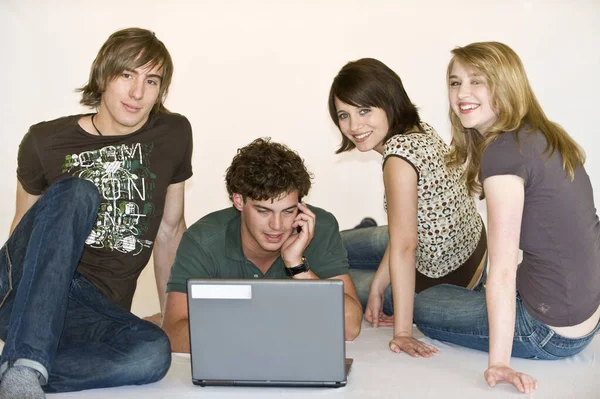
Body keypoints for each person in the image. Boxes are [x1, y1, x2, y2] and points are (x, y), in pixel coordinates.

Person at [0, 28, 193, 398]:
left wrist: (174, 320)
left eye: (150, 80)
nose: (138, 93)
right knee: (78, 191)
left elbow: (170, 232)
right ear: (104, 75)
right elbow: (21, 232)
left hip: (92, 313)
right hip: (25, 292)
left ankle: (22, 367)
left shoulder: (174, 133)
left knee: (153, 352)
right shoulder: (43, 141)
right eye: (127, 75)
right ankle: (25, 363)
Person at [413, 42, 600, 394]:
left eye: (477, 81)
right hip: (583, 318)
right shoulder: (544, 135)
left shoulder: (503, 154)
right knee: (457, 284)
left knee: (421, 300)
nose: (462, 93)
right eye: (455, 82)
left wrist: (499, 362)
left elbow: (500, 269)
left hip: (547, 331)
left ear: (505, 84)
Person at [329, 58, 487, 357]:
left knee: (341, 286)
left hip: (444, 276)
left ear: (388, 103)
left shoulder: (398, 160)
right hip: (471, 251)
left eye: (364, 110)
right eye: (344, 114)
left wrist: (401, 331)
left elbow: (404, 246)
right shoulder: (418, 129)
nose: (353, 125)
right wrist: (380, 284)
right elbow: (407, 233)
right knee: (333, 243)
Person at [162, 138, 363, 353]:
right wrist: (269, 329)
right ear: (239, 201)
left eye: (288, 211)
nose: (276, 226)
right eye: (263, 211)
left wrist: (297, 266)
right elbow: (174, 332)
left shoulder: (319, 226)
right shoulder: (202, 240)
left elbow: (349, 327)